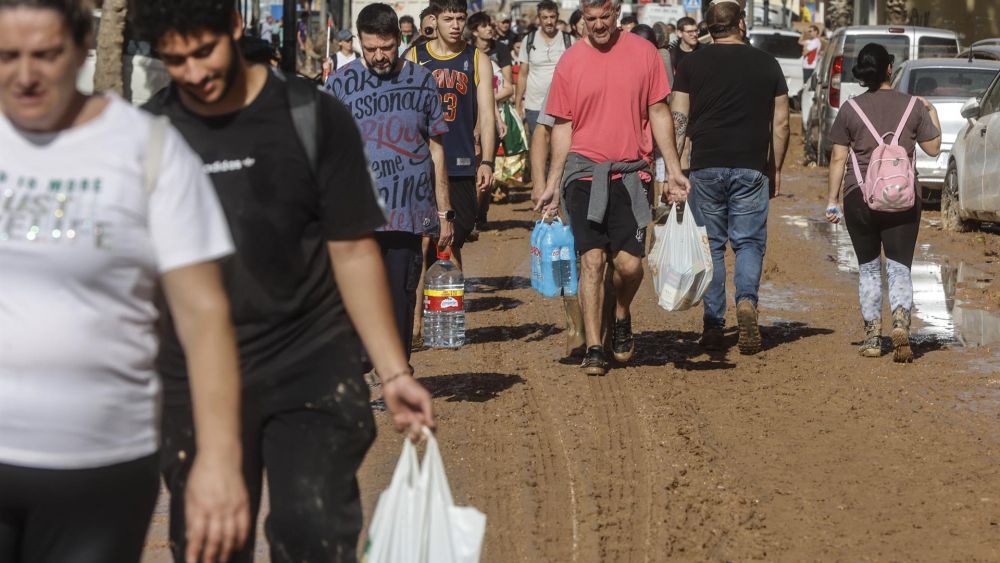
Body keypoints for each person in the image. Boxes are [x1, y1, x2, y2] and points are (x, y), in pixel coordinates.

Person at [133, 1, 435, 561]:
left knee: (310, 533)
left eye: (204, 51)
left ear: (234, 26)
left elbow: (351, 250)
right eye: (176, 61)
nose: (195, 73)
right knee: (209, 544)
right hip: (193, 376)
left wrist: (393, 371)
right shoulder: (149, 134)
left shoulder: (312, 116)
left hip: (309, 363)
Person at [0, 0, 249, 562]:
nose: (25, 74)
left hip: (100, 467)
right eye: (6, 56)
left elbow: (204, 318)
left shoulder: (146, 149)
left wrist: (218, 459)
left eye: (45, 54)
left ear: (83, 42)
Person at [535, 0, 690, 376]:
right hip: (583, 173)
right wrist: (553, 182)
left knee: (629, 265)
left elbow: (658, 112)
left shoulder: (644, 53)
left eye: (605, 17)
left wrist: (673, 169)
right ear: (582, 19)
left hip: (632, 175)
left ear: (617, 13)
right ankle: (593, 346)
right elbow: (561, 126)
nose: (599, 25)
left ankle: (621, 312)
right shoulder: (570, 61)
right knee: (592, 260)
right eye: (591, 19)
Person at [328, 4, 454, 364]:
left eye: (386, 47)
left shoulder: (422, 80)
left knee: (401, 295)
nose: (380, 56)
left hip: (408, 213)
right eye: (371, 49)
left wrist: (444, 210)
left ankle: (398, 371)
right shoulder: (338, 84)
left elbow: (436, 149)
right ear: (359, 43)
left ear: (399, 39)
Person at [669, 1, 790, 355]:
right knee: (749, 243)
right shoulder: (767, 64)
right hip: (752, 166)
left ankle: (713, 323)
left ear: (708, 27)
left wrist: (675, 169)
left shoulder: (691, 64)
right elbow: (780, 123)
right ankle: (747, 303)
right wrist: (776, 167)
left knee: (712, 246)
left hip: (705, 166)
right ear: (740, 23)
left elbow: (679, 119)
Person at [825, 43, 941, 363]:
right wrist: (931, 113)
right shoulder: (913, 106)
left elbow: (837, 160)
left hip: (858, 198)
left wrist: (832, 201)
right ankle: (901, 323)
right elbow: (933, 148)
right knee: (900, 266)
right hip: (903, 200)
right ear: (890, 69)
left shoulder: (850, 109)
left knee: (868, 268)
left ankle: (874, 337)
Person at [408, 0, 496, 271]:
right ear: (434, 20)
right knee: (424, 240)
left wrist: (488, 162)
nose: (456, 25)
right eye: (449, 19)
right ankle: (425, 310)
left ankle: (448, 301)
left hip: (461, 161)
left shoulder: (477, 58)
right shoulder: (414, 57)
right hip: (421, 162)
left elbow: (488, 115)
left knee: (453, 237)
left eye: (460, 18)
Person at [516, 0, 573, 138]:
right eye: (545, 17)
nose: (549, 21)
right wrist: (518, 105)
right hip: (535, 105)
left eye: (552, 17)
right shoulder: (528, 40)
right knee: (537, 146)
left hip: (562, 105)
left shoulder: (569, 41)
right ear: (538, 19)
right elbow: (523, 74)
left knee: (560, 149)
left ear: (557, 17)